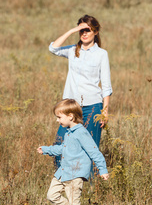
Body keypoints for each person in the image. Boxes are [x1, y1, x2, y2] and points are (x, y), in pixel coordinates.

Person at [37, 99, 109, 205]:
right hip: (63, 172)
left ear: (70, 116)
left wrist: (103, 169)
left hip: (75, 174)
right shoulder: (69, 132)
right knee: (52, 195)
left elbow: (94, 151)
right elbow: (63, 149)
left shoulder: (81, 133)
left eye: (59, 117)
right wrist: (46, 150)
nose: (58, 121)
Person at [48, 15, 112, 168]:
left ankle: (88, 187)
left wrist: (104, 112)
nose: (84, 34)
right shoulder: (72, 50)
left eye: (87, 30)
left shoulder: (101, 54)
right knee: (61, 145)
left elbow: (107, 86)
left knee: (90, 149)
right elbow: (53, 48)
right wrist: (71, 31)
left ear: (95, 32)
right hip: (71, 107)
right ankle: (62, 180)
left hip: (93, 106)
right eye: (81, 30)